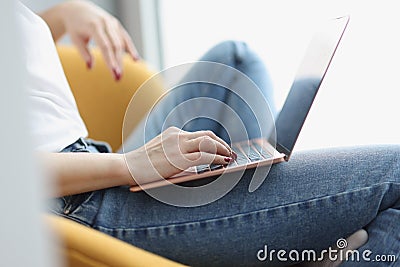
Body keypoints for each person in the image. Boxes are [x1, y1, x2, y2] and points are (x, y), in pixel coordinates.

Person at [17, 1, 398, 266]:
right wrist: (129, 165)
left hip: (79, 168)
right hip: (67, 205)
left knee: (235, 59)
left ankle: (260, 230)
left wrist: (62, 16)